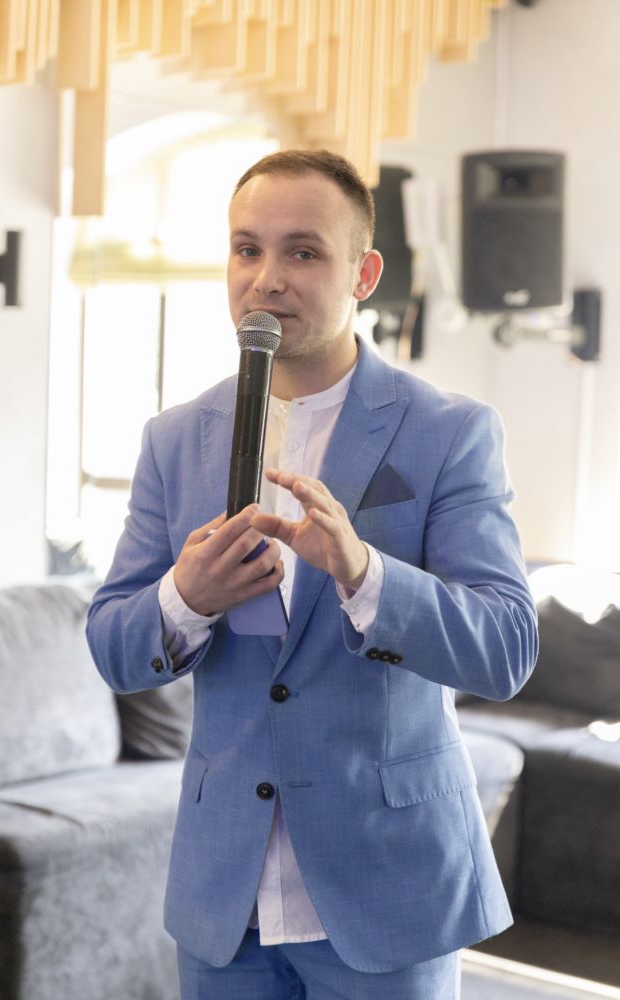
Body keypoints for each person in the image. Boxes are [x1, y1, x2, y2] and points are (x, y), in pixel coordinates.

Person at [86, 149, 538, 1000]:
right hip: (225, 901)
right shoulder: (175, 438)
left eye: (303, 251)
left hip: (389, 890)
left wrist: (365, 573)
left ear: (363, 274)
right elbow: (113, 646)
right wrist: (186, 600)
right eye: (246, 249)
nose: (267, 279)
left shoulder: (450, 431)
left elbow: (506, 648)